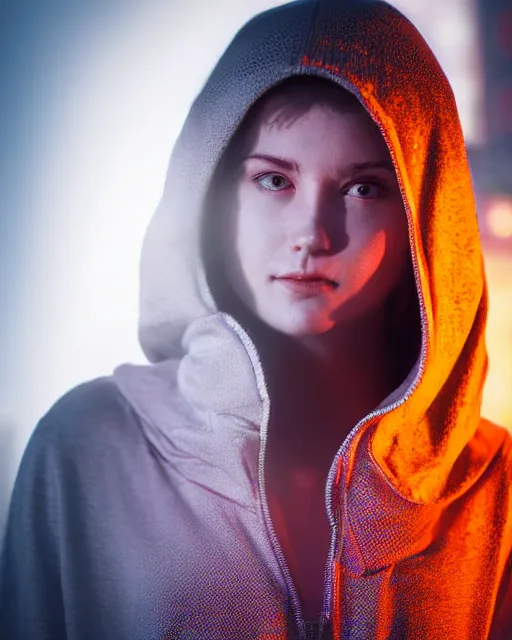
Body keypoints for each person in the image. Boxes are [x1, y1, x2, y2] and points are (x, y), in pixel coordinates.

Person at [1, 0, 511, 638]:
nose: (312, 233)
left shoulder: (497, 489)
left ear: (424, 217)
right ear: (212, 191)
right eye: (273, 180)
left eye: (363, 188)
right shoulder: (88, 447)